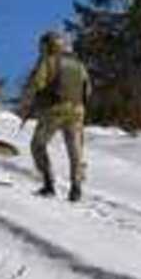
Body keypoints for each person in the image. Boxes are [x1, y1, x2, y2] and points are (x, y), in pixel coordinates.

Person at [18, 30, 91, 201]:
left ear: (48, 45)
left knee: (37, 145)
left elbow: (35, 84)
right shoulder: (78, 64)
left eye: (42, 45)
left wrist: (26, 105)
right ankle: (76, 187)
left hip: (54, 110)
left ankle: (49, 183)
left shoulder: (48, 61)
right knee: (75, 150)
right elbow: (88, 90)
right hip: (77, 111)